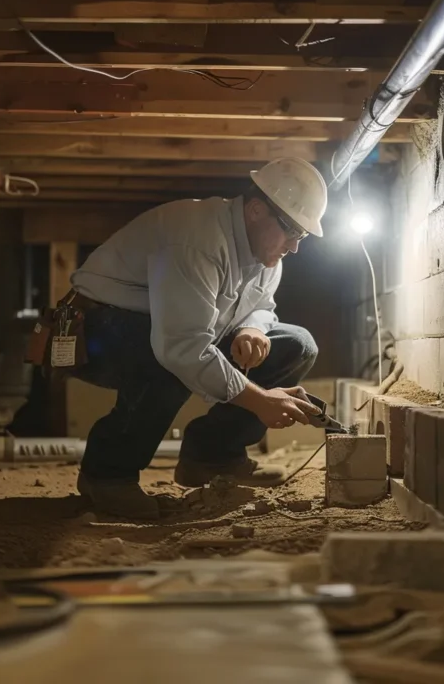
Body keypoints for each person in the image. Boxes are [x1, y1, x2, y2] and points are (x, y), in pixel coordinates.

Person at [54, 157, 327, 519]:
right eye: (291, 230)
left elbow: (263, 304)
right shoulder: (198, 237)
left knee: (296, 345)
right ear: (257, 210)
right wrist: (260, 400)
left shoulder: (267, 258)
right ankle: (107, 475)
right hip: (93, 329)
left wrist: (252, 328)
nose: (294, 247)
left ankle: (212, 457)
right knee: (164, 362)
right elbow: (181, 348)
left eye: (302, 235)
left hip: (167, 331)